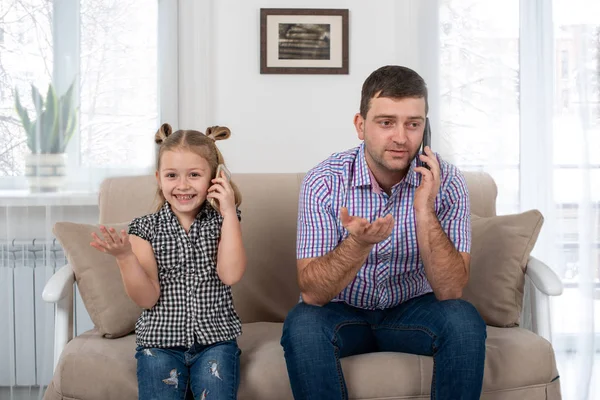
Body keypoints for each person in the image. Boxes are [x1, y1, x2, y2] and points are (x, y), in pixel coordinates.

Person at [281, 65, 487, 400]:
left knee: (463, 319)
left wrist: (424, 208)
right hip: (343, 311)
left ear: (425, 128)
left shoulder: (447, 181)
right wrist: (358, 244)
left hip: (413, 310)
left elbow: (450, 290)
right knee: (302, 323)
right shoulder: (324, 181)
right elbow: (313, 294)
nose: (401, 137)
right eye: (386, 122)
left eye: (413, 124)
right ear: (361, 126)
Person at [90, 123, 245, 400]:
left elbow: (230, 274)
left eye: (195, 175)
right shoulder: (144, 228)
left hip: (216, 343)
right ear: (159, 178)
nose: (183, 185)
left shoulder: (224, 222)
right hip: (159, 344)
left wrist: (229, 211)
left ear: (216, 177)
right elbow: (147, 298)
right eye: (172, 175)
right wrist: (125, 257)